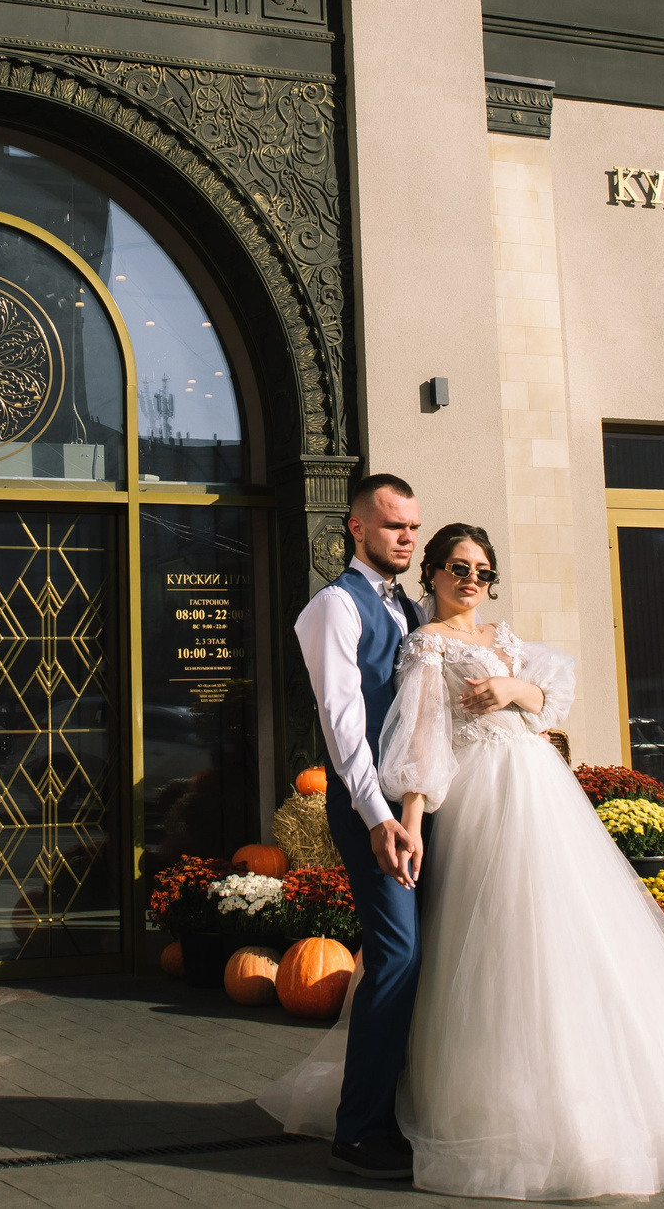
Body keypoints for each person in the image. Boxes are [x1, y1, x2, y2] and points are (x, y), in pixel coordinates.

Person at [262, 521, 664, 1200]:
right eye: (458, 567)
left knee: (571, 941)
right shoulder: (426, 644)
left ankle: (594, 1104)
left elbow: (551, 698)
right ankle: (490, 1111)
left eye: (482, 571)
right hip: (483, 799)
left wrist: (515, 691)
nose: (471, 581)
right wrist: (413, 824)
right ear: (432, 573)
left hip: (542, 795)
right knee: (498, 949)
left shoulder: (502, 640)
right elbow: (420, 741)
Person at [276, 472, 428, 1179]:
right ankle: (360, 1127)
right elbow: (343, 724)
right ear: (356, 528)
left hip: (419, 807)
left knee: (429, 951)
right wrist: (375, 816)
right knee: (395, 956)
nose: (407, 537)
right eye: (394, 525)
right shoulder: (334, 607)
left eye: (413, 527)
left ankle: (407, 1111)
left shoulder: (416, 609)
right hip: (370, 810)